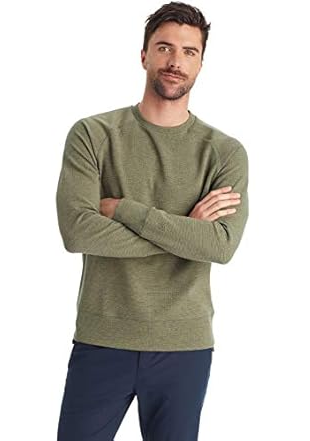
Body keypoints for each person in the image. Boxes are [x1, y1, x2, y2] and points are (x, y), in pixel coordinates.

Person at [55, 2, 248, 440]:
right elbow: (77, 231)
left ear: (201, 63)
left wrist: (125, 210)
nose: (175, 61)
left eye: (189, 52)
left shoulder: (224, 153)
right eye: (164, 47)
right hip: (103, 336)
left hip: (184, 345)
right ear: (144, 55)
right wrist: (187, 230)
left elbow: (220, 246)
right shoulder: (93, 135)